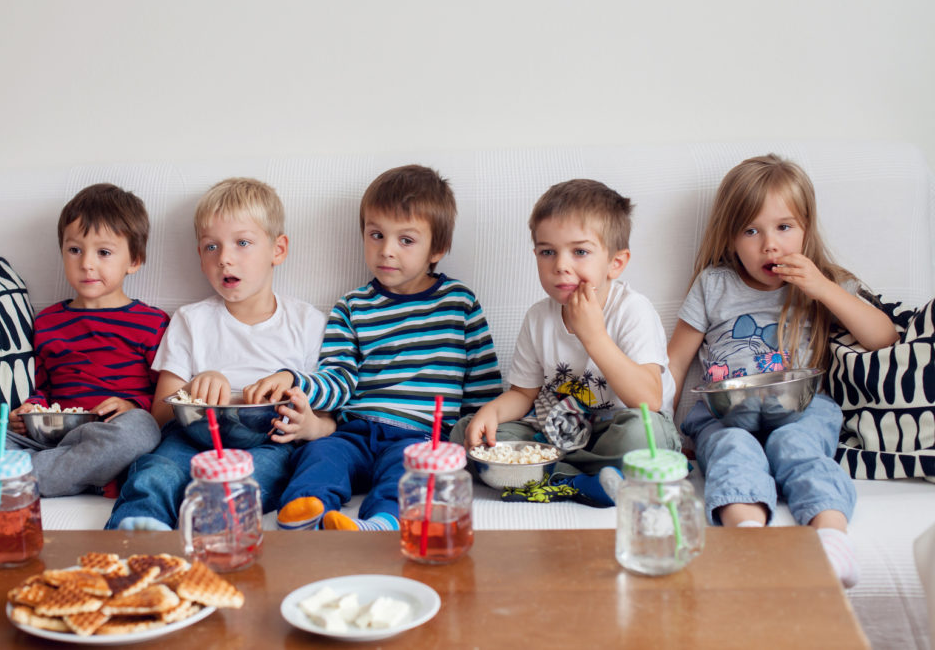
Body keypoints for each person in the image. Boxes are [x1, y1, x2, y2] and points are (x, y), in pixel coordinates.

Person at [667, 154, 898, 588]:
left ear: (807, 228)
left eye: (784, 227)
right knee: (733, 449)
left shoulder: (824, 282)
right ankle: (750, 543)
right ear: (730, 237)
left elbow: (883, 337)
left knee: (797, 446)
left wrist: (822, 289)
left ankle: (832, 539)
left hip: (801, 411)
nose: (769, 245)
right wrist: (667, 430)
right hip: (721, 413)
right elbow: (676, 361)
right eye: (751, 231)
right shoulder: (714, 284)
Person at [247, 164, 502, 531]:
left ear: (438, 248)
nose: (387, 251)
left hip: (420, 437)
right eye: (376, 235)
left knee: (410, 474)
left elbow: (482, 384)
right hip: (355, 432)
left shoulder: (459, 303)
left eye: (406, 240)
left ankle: (381, 524)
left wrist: (474, 444)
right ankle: (305, 512)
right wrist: (294, 380)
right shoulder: (352, 306)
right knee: (319, 454)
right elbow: (338, 378)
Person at [105, 177, 329, 531]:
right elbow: (160, 414)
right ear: (200, 255)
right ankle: (134, 546)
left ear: (278, 249)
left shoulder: (307, 323)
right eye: (211, 247)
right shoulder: (191, 321)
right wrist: (194, 385)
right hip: (189, 438)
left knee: (242, 484)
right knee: (154, 473)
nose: (225, 258)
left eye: (242, 243)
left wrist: (311, 426)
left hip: (269, 445)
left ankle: (214, 550)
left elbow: (332, 417)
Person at [0, 183, 169, 498]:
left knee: (141, 431)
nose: (87, 263)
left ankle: (11, 477)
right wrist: (30, 411)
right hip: (50, 437)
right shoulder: (47, 322)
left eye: (104, 252)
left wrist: (132, 406)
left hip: (110, 432)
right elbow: (44, 388)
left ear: (134, 260)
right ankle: (82, 475)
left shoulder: (152, 323)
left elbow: (163, 400)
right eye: (75, 250)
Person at [453, 179, 681, 506]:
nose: (560, 265)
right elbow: (523, 395)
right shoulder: (538, 318)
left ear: (615, 262)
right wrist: (492, 411)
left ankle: (548, 475)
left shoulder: (633, 310)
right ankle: (577, 479)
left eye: (580, 251)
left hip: (619, 432)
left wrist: (594, 336)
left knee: (647, 437)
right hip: (557, 434)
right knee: (467, 432)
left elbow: (648, 401)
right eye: (548, 252)